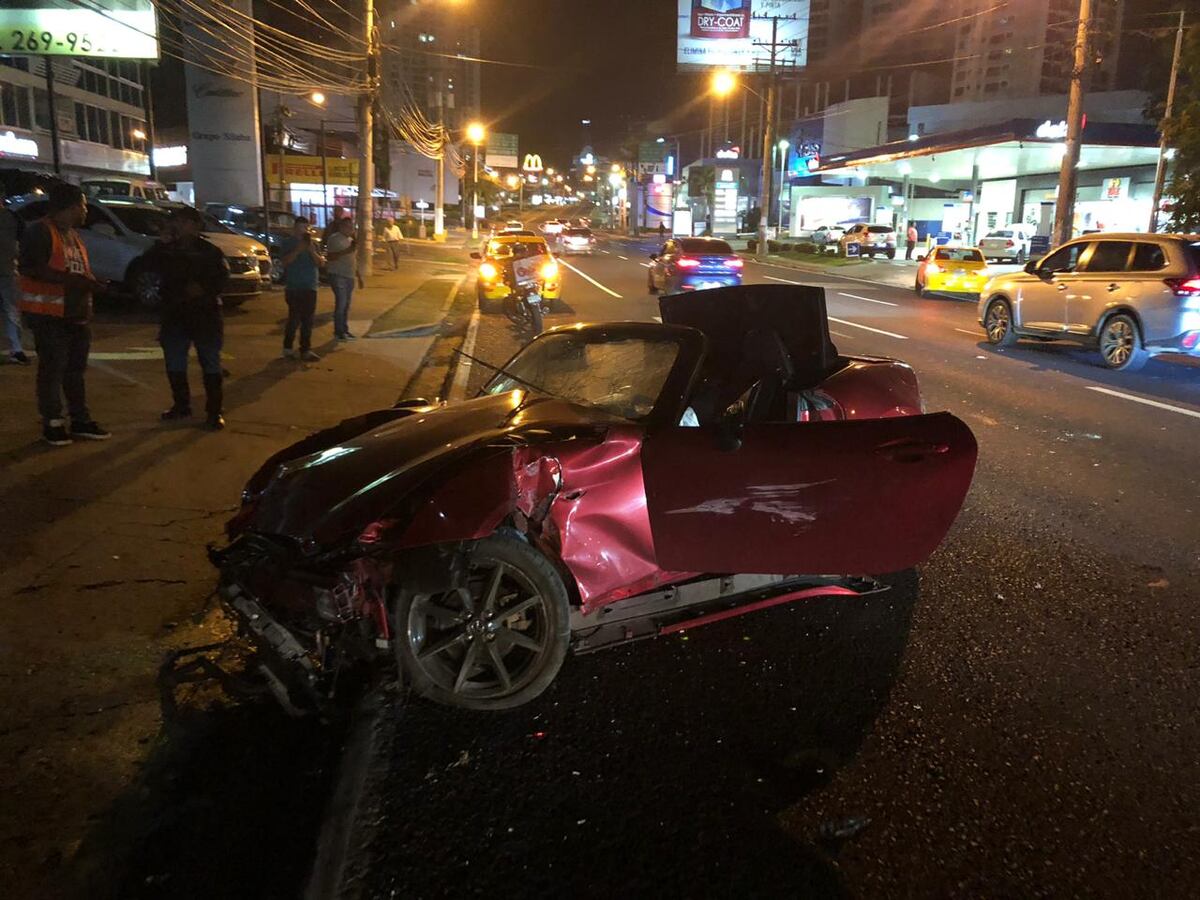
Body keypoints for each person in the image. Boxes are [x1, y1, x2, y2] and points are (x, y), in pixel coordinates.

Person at [18, 183, 109, 446]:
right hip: (49, 315)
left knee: (74, 371)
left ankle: (80, 420)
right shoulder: (40, 232)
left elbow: (75, 270)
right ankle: (53, 422)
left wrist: (91, 283)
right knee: (53, 370)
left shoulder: (72, 235)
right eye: (82, 205)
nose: (85, 211)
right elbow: (32, 268)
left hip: (75, 315)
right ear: (69, 207)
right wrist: (77, 282)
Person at [141, 206, 230, 429]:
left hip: (205, 315)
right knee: (175, 362)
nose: (179, 226)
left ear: (196, 225)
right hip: (175, 314)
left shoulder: (210, 251)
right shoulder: (166, 249)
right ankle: (181, 405)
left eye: (183, 222)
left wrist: (203, 289)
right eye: (177, 222)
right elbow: (146, 266)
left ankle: (214, 412)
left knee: (210, 363)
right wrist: (161, 242)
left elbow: (222, 279)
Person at [278, 217, 323, 361]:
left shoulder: (313, 244)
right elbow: (284, 262)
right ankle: (288, 348)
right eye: (300, 227)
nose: (303, 230)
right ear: (295, 228)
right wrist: (298, 250)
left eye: (305, 227)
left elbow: (320, 263)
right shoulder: (288, 243)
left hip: (310, 286)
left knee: (308, 320)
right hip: (294, 287)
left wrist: (311, 250)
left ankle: (305, 349)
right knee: (294, 318)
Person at [0, 190, 28, 365]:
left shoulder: (12, 217)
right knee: (11, 312)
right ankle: (16, 349)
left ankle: (16, 349)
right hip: (7, 270)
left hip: (7, 271)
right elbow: (21, 242)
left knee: (12, 311)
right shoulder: (12, 217)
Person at [325, 216, 357, 341]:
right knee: (341, 303)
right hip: (338, 275)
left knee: (346, 304)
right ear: (342, 227)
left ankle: (344, 329)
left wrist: (358, 275)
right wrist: (348, 250)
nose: (351, 229)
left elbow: (353, 259)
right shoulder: (335, 239)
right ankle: (338, 331)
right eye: (349, 227)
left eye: (352, 227)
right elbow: (331, 257)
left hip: (349, 275)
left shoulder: (350, 240)